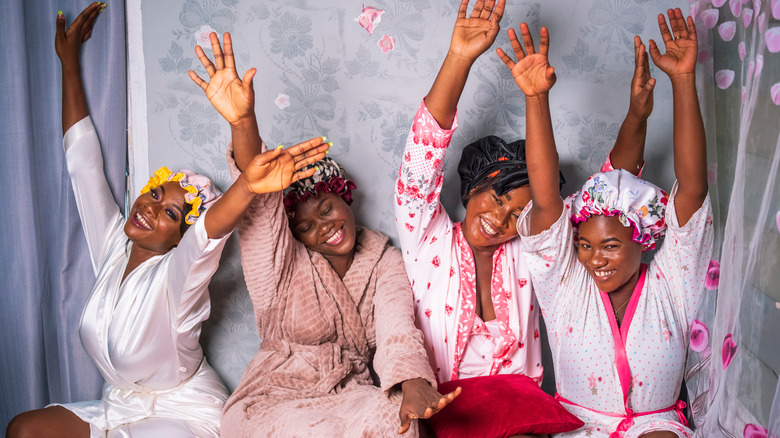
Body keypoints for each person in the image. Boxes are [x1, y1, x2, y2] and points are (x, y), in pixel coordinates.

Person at [6, 4, 330, 437]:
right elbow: (82, 163)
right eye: (155, 194)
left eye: (171, 214)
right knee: (24, 428)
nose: (151, 207)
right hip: (120, 404)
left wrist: (245, 165)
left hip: (184, 416)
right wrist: (68, 63)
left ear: (179, 238)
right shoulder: (112, 248)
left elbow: (208, 232)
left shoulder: (179, 278)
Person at [187, 31, 460, 437]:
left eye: (327, 208)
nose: (324, 227)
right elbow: (260, 207)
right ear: (293, 234)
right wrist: (242, 122)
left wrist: (413, 384)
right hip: (274, 397)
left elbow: (396, 328)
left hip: (349, 394)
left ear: (344, 195)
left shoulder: (382, 259)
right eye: (305, 226)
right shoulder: (280, 265)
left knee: (395, 419)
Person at [394, 0, 654, 389]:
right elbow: (422, 155)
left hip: (521, 408)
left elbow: (611, 191)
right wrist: (459, 58)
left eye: (517, 214)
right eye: (498, 199)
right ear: (471, 188)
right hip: (438, 405)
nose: (500, 219)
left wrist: (637, 116)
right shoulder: (426, 236)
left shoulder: (533, 250)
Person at [516, 9, 712, 438]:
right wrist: (536, 99)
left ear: (643, 239)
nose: (594, 259)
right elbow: (546, 200)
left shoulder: (672, 282)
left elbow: (693, 191)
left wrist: (683, 80)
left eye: (610, 246)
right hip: (576, 427)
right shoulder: (566, 286)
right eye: (585, 245)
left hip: (655, 428)